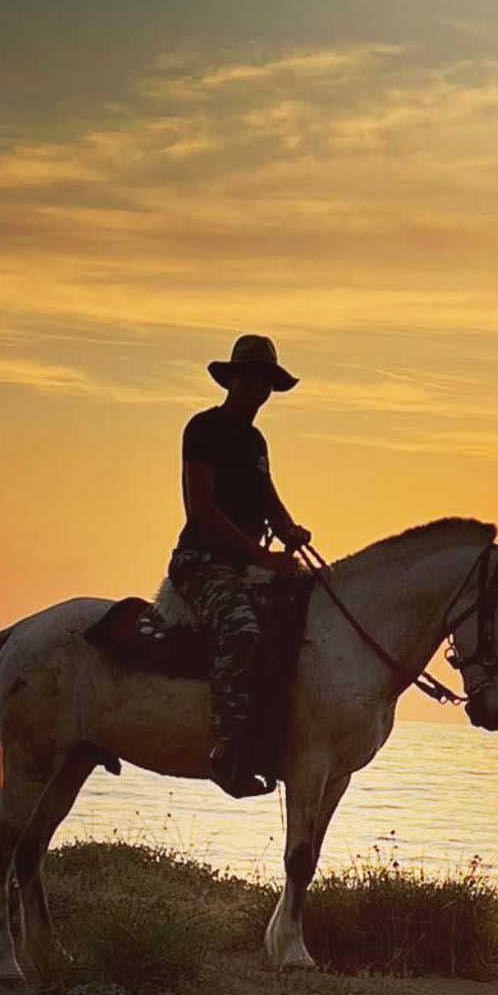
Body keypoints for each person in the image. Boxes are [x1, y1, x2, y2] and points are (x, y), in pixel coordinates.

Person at [168, 333, 312, 797]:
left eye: (265, 379)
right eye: (250, 376)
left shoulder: (254, 440)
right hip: (201, 562)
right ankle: (228, 750)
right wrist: (263, 555)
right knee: (242, 631)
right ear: (232, 379)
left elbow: (268, 496)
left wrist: (290, 530)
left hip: (247, 564)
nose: (257, 387)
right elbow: (202, 513)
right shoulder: (203, 429)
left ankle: (278, 733)